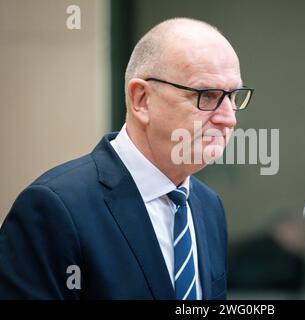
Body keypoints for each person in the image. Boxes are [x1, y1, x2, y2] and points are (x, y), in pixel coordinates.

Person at [0, 18, 253, 299]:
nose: (228, 118)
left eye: (233, 97)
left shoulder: (208, 206)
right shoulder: (55, 208)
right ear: (142, 99)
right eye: (207, 95)